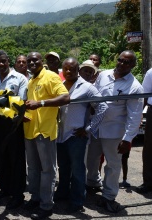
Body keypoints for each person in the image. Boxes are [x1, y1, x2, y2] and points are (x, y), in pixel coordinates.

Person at [86, 50, 143, 213]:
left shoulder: (134, 87)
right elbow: (93, 94)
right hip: (95, 127)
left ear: (133, 65)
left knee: (112, 164)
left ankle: (109, 196)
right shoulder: (104, 75)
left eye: (127, 62)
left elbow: (135, 115)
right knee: (91, 158)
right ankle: (92, 183)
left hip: (114, 132)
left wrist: (128, 139)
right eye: (120, 60)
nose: (122, 64)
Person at [55, 58, 107, 213]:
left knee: (77, 168)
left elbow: (103, 106)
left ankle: (77, 200)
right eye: (66, 69)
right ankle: (63, 192)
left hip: (76, 135)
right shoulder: (60, 86)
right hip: (60, 134)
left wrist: (89, 128)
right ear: (62, 71)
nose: (69, 71)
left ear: (78, 69)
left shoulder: (87, 87)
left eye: (72, 68)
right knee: (63, 167)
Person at [23, 52, 70, 219]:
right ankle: (35, 198)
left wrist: (41, 103)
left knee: (48, 170)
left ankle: (46, 205)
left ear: (41, 61)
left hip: (45, 131)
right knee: (33, 169)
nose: (32, 62)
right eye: (29, 60)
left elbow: (65, 97)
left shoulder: (50, 76)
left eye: (35, 59)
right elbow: (31, 104)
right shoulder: (30, 80)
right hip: (30, 130)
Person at [0, 50, 28, 210]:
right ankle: (5, 189)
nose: (1, 64)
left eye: (4, 61)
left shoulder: (20, 78)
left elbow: (22, 102)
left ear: (8, 60)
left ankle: (18, 195)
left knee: (16, 160)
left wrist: (0, 101)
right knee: (2, 159)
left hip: (14, 124)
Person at [137, 67, 152, 194]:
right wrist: (139, 115)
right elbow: (144, 95)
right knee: (149, 148)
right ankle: (148, 182)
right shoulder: (151, 72)